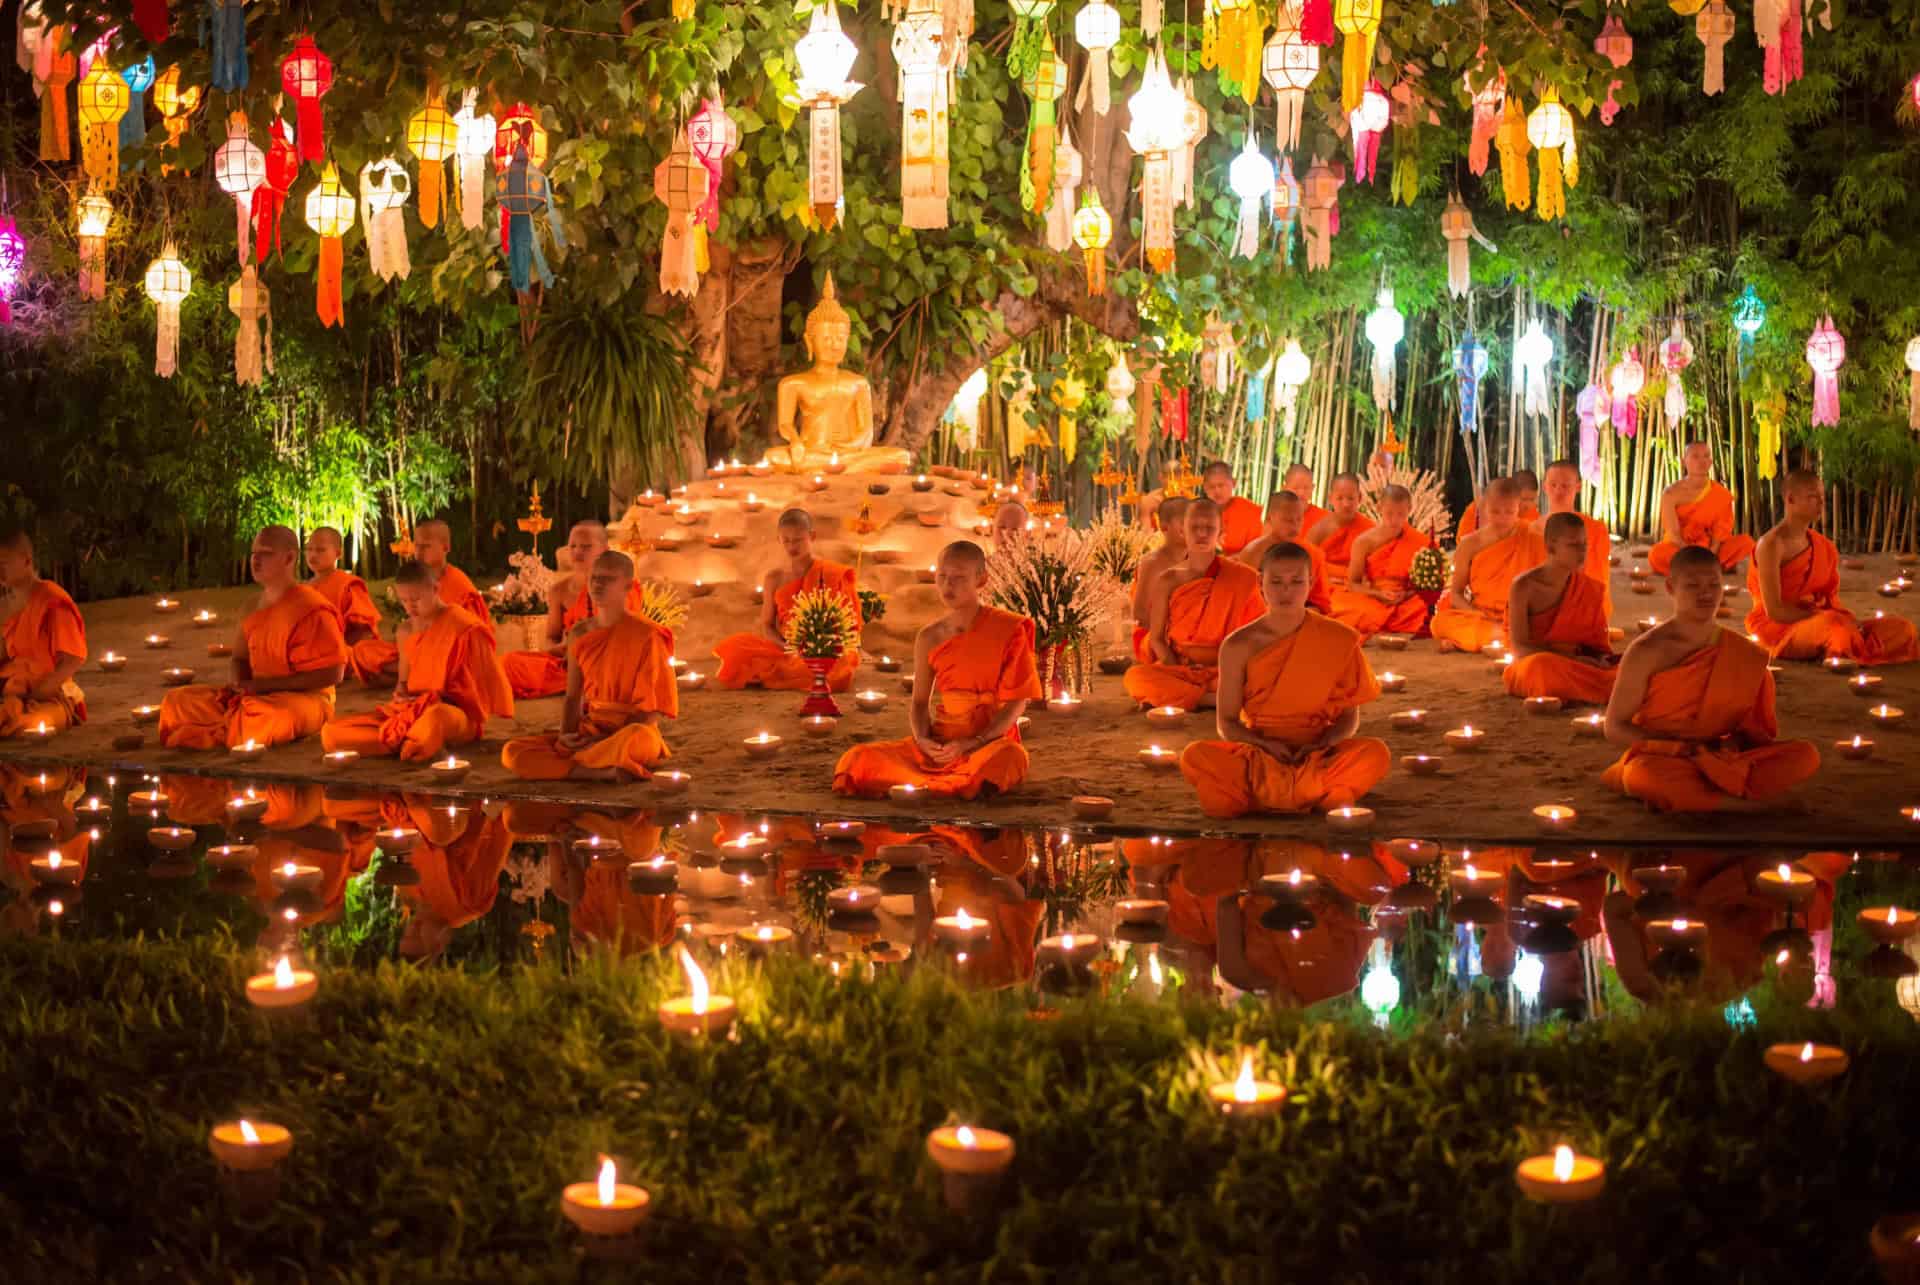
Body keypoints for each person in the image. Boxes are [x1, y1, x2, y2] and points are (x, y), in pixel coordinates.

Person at [1602, 545, 1820, 812]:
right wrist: (1678, 748)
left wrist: (1724, 749)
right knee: (1643, 775)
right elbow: (1614, 727)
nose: (1705, 593)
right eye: (1693, 585)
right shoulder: (1648, 650)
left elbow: (1754, 735)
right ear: (1671, 587)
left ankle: (1704, 796)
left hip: (1720, 756)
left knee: (1805, 755)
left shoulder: (1741, 652)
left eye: (1713, 584)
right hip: (1665, 756)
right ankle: (1743, 807)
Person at [1178, 543, 1390, 817]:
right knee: (1196, 756)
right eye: (1276, 582)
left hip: (1315, 753)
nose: (1286, 591)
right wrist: (1265, 745)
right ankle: (1314, 793)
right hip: (1260, 753)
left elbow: (1349, 718)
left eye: (1296, 581)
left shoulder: (1339, 638)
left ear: (1310, 583)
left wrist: (1321, 744)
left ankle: (1265, 796)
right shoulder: (1238, 645)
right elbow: (1227, 723)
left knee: (1376, 753)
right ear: (1260, 583)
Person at [833, 540, 1042, 799]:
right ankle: (955, 785)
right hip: (941, 744)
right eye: (942, 576)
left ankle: (949, 784)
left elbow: (1017, 703)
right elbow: (920, 703)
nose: (947, 585)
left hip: (989, 744)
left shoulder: (1008, 629)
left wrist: (973, 743)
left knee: (1010, 758)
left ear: (982, 580)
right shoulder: (929, 637)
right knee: (857, 759)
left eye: (959, 578)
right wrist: (923, 740)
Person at [159, 525, 347, 749]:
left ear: (289, 558)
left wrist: (265, 687)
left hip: (303, 700)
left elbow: (334, 673)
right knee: (176, 701)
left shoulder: (311, 607)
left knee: (267, 716)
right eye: (253, 554)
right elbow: (239, 658)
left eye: (265, 554)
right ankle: (231, 724)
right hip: (255, 696)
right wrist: (239, 686)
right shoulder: (251, 607)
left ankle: (228, 726)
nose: (255, 561)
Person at [501, 551, 678, 783]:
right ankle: (597, 771)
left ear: (628, 586)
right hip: (591, 729)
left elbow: (651, 712)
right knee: (512, 752)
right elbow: (573, 697)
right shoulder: (580, 633)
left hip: (630, 731)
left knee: (637, 740)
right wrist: (566, 736)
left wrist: (605, 741)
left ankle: (573, 766)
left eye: (607, 578)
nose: (597, 584)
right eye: (594, 577)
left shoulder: (648, 634)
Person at [320, 559, 514, 761]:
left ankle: (409, 741)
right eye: (404, 600)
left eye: (416, 599)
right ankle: (411, 741)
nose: (409, 606)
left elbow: (481, 695)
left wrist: (438, 697)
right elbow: (404, 683)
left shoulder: (464, 627)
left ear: (435, 588)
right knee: (331, 733)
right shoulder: (405, 630)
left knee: (436, 718)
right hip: (413, 712)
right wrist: (402, 693)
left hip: (452, 714)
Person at [1747, 469, 1918, 665]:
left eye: (1822, 496)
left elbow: (1830, 600)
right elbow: (1775, 611)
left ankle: (1849, 646)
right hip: (1782, 628)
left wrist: (1842, 619)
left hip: (1825, 621)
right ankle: (1847, 646)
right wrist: (1823, 616)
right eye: (1813, 497)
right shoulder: (1771, 545)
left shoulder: (1824, 546)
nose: (1821, 502)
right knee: (1836, 629)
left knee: (1903, 628)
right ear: (1791, 499)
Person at [499, 520, 670, 699]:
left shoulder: (621, 585)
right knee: (508, 662)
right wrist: (562, 648)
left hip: (608, 662)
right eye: (572, 546)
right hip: (568, 664)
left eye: (585, 547)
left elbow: (627, 633)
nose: (577, 552)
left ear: (604, 550)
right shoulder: (559, 590)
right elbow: (552, 637)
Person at [1124, 498, 1264, 709]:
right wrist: (1177, 671)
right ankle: (1212, 700)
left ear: (1220, 531)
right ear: (1184, 531)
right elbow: (1158, 639)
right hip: (1182, 666)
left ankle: (1190, 697)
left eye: (1209, 528)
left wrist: (1228, 666)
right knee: (1136, 678)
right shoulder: (1169, 579)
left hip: (1224, 667)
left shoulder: (1243, 577)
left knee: (1261, 678)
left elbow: (1255, 638)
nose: (1202, 534)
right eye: (1195, 527)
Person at [712, 508, 861, 692]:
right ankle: (794, 672)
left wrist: (819, 648)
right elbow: (767, 625)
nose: (792, 546)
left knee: (839, 667)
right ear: (779, 540)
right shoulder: (774, 578)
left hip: (824, 650)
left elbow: (848, 627)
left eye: (798, 540)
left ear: (812, 536)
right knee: (737, 649)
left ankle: (784, 674)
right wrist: (788, 647)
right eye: (786, 540)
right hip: (785, 649)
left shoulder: (831, 574)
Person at [349, 519, 491, 683]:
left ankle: (417, 674)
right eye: (416, 546)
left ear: (446, 547)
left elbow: (474, 641)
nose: (419, 552)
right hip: (415, 653)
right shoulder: (415, 580)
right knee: (362, 650)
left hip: (445, 656)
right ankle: (418, 674)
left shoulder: (460, 586)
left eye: (426, 546)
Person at [1503, 512, 1619, 704]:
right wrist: (1571, 659)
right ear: (1550, 547)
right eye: (1573, 545)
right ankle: (1609, 690)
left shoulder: (1588, 588)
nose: (1581, 552)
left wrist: (1596, 660)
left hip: (1578, 667)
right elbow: (1520, 648)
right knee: (1540, 669)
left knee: (1631, 663)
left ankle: (1587, 690)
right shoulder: (1523, 586)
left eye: (1584, 545)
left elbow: (1599, 649)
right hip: (1537, 665)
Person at [1429, 479, 1546, 652]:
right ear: (1484, 507)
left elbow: (1543, 588)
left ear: (1518, 508)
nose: (1502, 518)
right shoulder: (1470, 544)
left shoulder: (1533, 537)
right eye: (1495, 511)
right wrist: (1478, 614)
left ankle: (1477, 640)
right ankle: (1506, 637)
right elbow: (1456, 595)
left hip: (1519, 615)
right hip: (1483, 615)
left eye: (1509, 512)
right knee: (1439, 623)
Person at [0, 529, 86, 737]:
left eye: (3, 564)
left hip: (50, 697)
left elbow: (73, 659)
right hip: (13, 693)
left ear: (27, 561)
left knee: (31, 724)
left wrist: (40, 692)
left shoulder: (51, 600)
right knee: (8, 714)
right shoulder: (4, 606)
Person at [1328, 485, 1431, 637]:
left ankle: (1380, 621)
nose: (1395, 520)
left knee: (1429, 607)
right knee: (1341, 605)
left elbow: (1425, 585)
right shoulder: (1363, 542)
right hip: (1373, 598)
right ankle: (1384, 620)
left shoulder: (1421, 541)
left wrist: (1406, 594)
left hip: (1405, 601)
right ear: (1379, 508)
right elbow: (1352, 584)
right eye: (1389, 513)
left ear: (1410, 509)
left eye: (1401, 514)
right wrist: (1377, 594)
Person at [1648, 441, 1755, 575]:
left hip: (1710, 549)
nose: (1702, 461)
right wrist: (1691, 553)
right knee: (1656, 555)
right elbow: (1673, 533)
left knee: (1746, 542)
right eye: (1695, 456)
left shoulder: (1720, 493)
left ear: (1711, 461)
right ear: (1683, 461)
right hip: (1681, 549)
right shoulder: (1670, 493)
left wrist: (1711, 551)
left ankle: (1696, 568)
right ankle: (1709, 568)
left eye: (1706, 456)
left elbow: (1720, 532)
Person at [1540, 457, 1615, 620]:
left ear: (1578, 487)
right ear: (1544, 487)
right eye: (1553, 485)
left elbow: (1598, 579)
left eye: (1565, 486)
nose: (1558, 491)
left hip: (1583, 606)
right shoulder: (1533, 528)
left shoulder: (1594, 529)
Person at [1236, 491, 1330, 613]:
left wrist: (1299, 614)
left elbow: (1321, 604)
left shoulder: (1312, 553)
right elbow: (1242, 600)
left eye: (1299, 519)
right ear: (1270, 518)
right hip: (1262, 618)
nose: (1295, 526)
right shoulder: (1253, 552)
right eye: (1288, 520)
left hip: (1300, 616)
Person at [1130, 496, 1189, 660]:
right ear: (1164, 527)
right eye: (1184, 522)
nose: (1192, 528)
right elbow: (1139, 613)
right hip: (1153, 635)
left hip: (1188, 632)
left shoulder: (1197, 559)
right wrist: (1169, 632)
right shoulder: (1152, 563)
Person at [304, 527, 380, 647]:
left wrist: (338, 651)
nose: (312, 555)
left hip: (342, 653)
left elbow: (363, 631)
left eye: (320, 550)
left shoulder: (347, 584)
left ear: (338, 553)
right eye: (308, 549)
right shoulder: (304, 589)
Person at [1304, 472, 1374, 590]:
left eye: (1351, 498)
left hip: (1356, 590)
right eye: (1340, 498)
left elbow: (1374, 569)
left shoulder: (1370, 529)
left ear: (1360, 498)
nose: (1346, 504)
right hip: (1324, 587)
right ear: (1331, 498)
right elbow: (1304, 565)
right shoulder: (1319, 530)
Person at [1457, 469, 1541, 538]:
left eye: (1532, 499)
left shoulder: (1532, 514)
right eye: (1524, 499)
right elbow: (1463, 539)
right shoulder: (1479, 508)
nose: (1528, 505)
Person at [1203, 460, 1264, 556]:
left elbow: (1257, 550)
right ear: (1205, 488)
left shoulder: (1249, 512)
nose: (1217, 491)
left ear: (1233, 483)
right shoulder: (1198, 512)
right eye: (1212, 487)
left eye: (1221, 485)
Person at [1283, 463, 1327, 532]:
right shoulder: (1271, 517)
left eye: (1306, 488)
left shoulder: (1324, 520)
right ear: (1284, 488)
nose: (1301, 494)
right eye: (1295, 488)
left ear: (1312, 488)